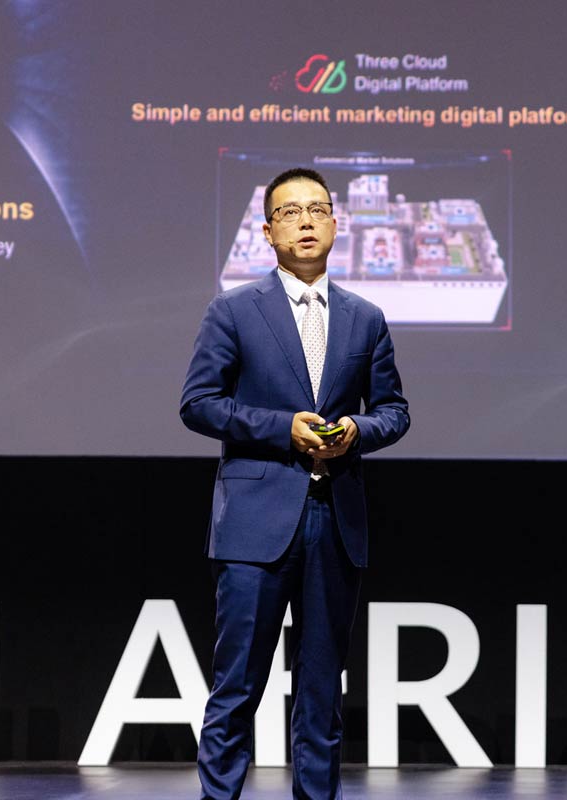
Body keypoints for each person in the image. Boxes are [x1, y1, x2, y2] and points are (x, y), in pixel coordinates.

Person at [179, 167, 410, 799]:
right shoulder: (233, 310)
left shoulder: (366, 318)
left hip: (335, 522)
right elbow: (198, 404)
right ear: (267, 232)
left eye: (317, 210)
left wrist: (356, 430)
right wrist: (285, 428)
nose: (305, 222)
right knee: (236, 688)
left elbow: (394, 411)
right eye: (289, 212)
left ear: (336, 223)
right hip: (256, 522)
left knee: (321, 693)